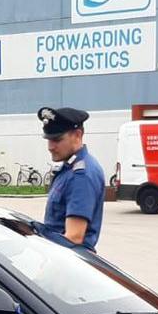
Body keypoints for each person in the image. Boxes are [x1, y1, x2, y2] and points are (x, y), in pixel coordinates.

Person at [38, 106, 105, 251]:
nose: (50, 146)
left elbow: (73, 237)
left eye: (56, 139)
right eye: (48, 139)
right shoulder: (68, 170)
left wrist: (35, 239)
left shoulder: (81, 175)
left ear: (77, 135)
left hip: (67, 262)